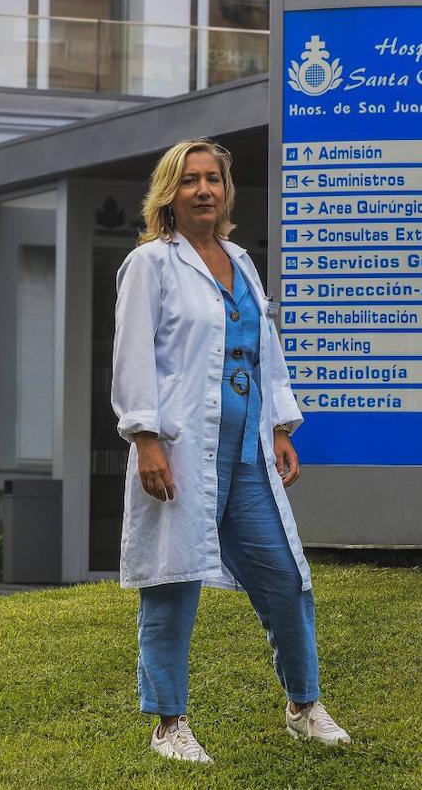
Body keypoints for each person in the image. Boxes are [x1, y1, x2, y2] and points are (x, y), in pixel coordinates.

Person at [111, 138, 351, 763]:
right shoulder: (152, 265)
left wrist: (279, 427)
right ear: (170, 193)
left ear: (226, 190)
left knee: (287, 579)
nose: (204, 191)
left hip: (246, 453)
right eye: (190, 180)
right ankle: (169, 725)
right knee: (173, 581)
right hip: (183, 450)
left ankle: (304, 705)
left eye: (213, 179)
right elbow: (133, 355)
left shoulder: (241, 259)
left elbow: (263, 349)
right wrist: (145, 440)